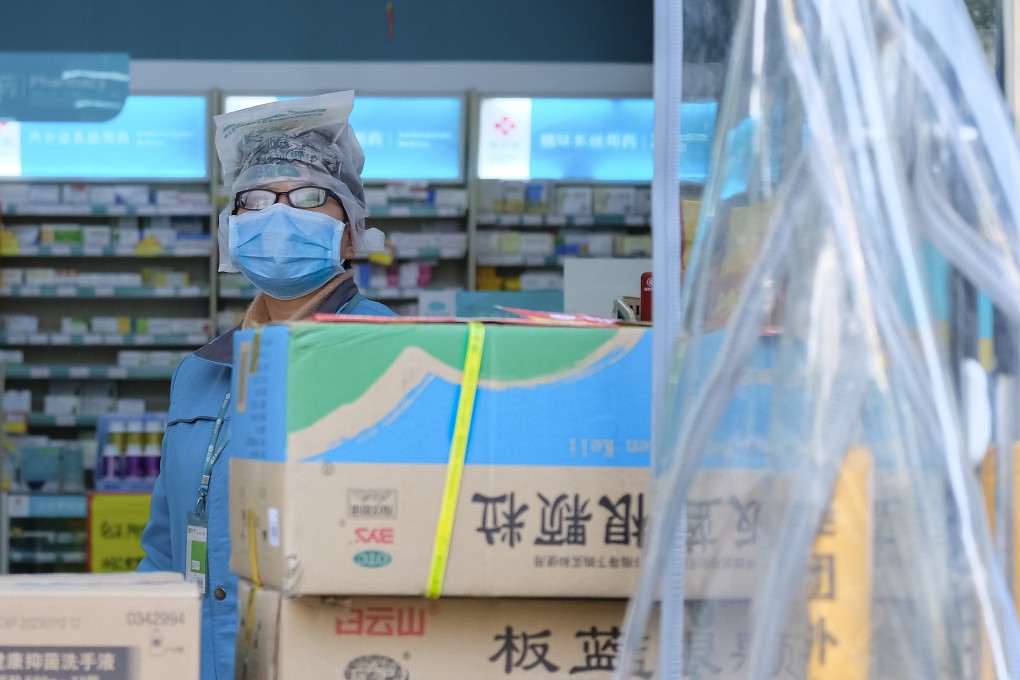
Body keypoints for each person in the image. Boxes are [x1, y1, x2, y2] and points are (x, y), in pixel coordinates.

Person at [138, 92, 396, 680]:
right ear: (233, 233)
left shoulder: (395, 352)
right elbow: (164, 548)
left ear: (351, 234)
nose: (277, 216)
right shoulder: (199, 374)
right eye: (254, 202)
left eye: (307, 199)